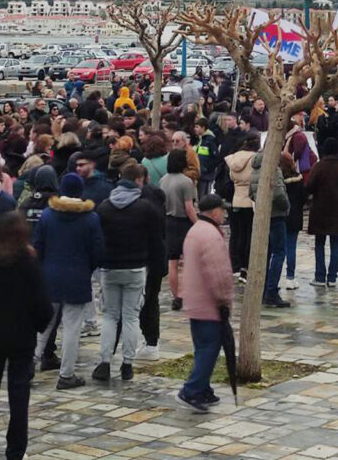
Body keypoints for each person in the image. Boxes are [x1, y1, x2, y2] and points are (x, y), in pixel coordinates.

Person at [0, 212, 53, 460]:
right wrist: (36, 326)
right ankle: (15, 452)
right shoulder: (30, 266)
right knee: (19, 398)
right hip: (21, 341)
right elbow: (43, 307)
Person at [33, 173, 104, 389]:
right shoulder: (90, 218)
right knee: (72, 328)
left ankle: (27, 367)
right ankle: (66, 374)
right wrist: (86, 268)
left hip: (50, 276)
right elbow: (98, 252)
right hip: (77, 277)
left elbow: (38, 246)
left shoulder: (47, 215)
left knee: (42, 326)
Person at [96, 164, 166, 370]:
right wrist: (160, 267)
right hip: (136, 268)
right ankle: (127, 362)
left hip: (110, 268)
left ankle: (105, 361)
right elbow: (157, 241)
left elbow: (98, 240)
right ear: (138, 181)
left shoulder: (104, 207)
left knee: (109, 316)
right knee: (130, 316)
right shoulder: (145, 209)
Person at [175, 194, 235, 414]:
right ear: (214, 212)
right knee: (210, 347)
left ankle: (203, 388)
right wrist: (224, 299)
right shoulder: (211, 236)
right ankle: (191, 390)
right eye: (222, 210)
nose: (225, 213)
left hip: (194, 299)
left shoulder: (196, 230)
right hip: (208, 302)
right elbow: (218, 273)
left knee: (203, 346)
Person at [305, 137, 338, 287]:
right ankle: (332, 277)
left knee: (320, 243)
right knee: (335, 243)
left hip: (320, 209)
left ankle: (319, 276)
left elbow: (309, 186)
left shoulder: (319, 166)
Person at [248, 150, 291, 306]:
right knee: (279, 253)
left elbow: (251, 193)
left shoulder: (255, 169)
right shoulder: (273, 168)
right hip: (276, 215)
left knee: (266, 253)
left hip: (262, 214)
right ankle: (271, 291)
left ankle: (263, 288)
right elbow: (279, 194)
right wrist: (286, 207)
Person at [160, 149, 197, 311]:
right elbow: (189, 207)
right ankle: (188, 292)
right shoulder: (186, 182)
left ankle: (177, 297)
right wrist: (198, 223)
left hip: (168, 221)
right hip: (183, 223)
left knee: (172, 262)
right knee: (189, 261)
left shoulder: (163, 180)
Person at [224, 134, 258, 278]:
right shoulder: (255, 158)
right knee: (248, 233)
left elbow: (232, 177)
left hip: (237, 197)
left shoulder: (235, 157)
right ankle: (245, 264)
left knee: (238, 233)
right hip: (249, 199)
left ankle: (236, 265)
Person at [281, 154, 306, 290]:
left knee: (278, 249)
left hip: (281, 216)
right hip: (295, 216)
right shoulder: (298, 179)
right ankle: (290, 277)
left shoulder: (279, 179)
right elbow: (303, 197)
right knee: (291, 248)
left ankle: (275, 276)